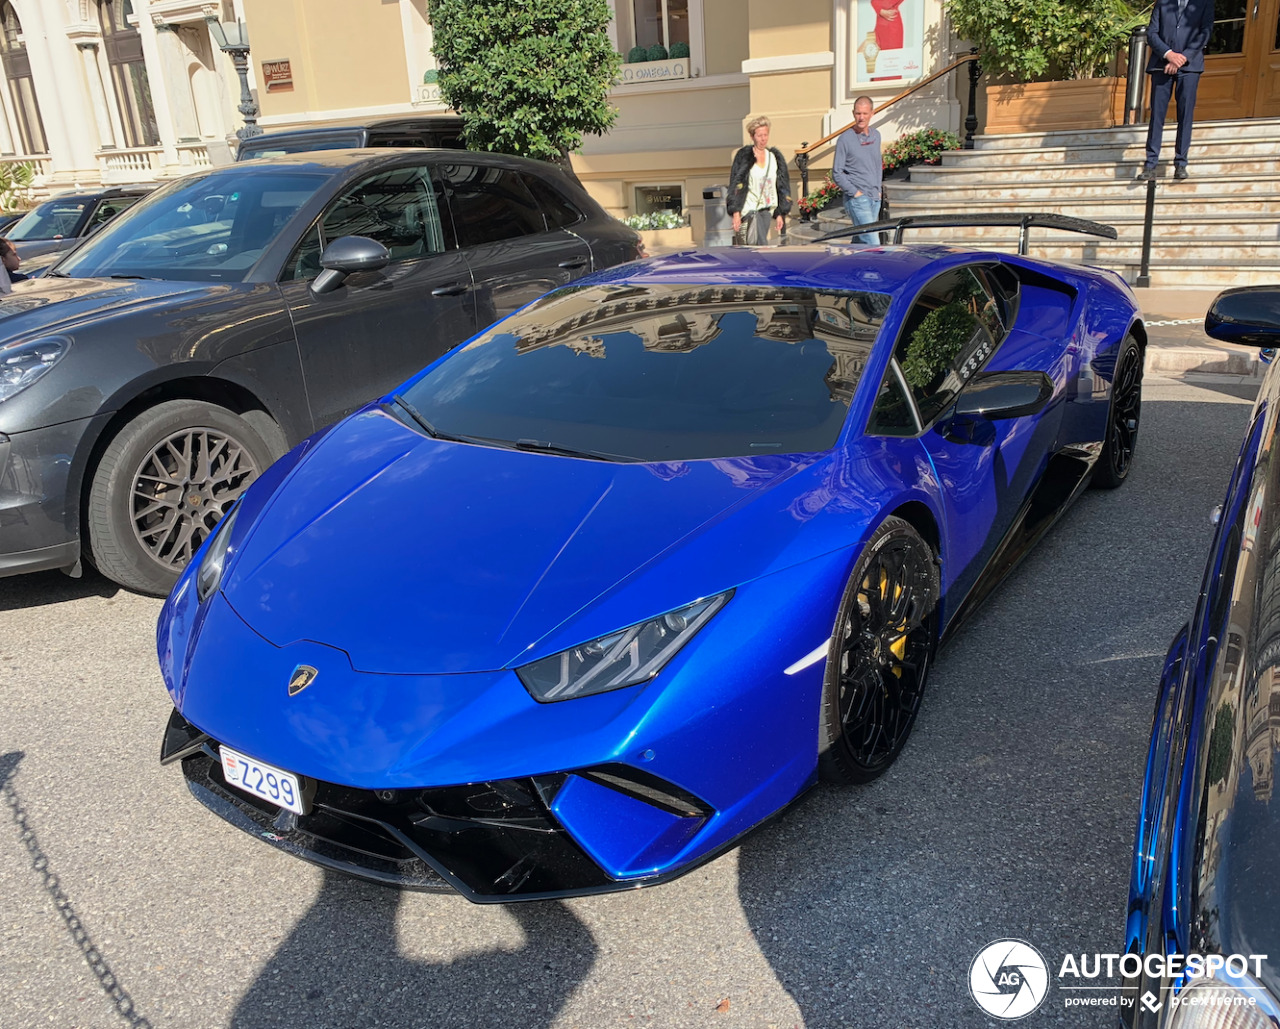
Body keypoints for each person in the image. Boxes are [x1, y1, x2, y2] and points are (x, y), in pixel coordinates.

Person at [1137, 0, 1216, 181]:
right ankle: (1150, 164)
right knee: (1157, 116)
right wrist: (1169, 55)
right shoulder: (1163, 3)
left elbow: (1205, 33)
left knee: (1185, 114)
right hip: (1161, 65)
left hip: (1190, 67)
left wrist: (1183, 58)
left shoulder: (1204, 3)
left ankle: (1181, 163)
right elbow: (1152, 33)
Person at [727, 115, 792, 246]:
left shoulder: (774, 158)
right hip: (748, 211)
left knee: (757, 249)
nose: (763, 139)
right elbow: (736, 184)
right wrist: (736, 213)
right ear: (752, 137)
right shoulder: (744, 156)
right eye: (759, 135)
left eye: (766, 135)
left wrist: (779, 213)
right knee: (757, 248)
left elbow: (781, 186)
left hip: (766, 211)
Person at [833, 96, 882, 245]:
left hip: (874, 197)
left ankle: (851, 267)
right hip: (858, 200)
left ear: (872, 113)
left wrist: (878, 190)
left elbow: (877, 164)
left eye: (865, 113)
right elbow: (837, 172)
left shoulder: (876, 136)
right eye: (858, 113)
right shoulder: (845, 139)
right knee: (873, 244)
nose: (861, 118)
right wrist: (856, 193)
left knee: (860, 243)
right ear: (853, 113)